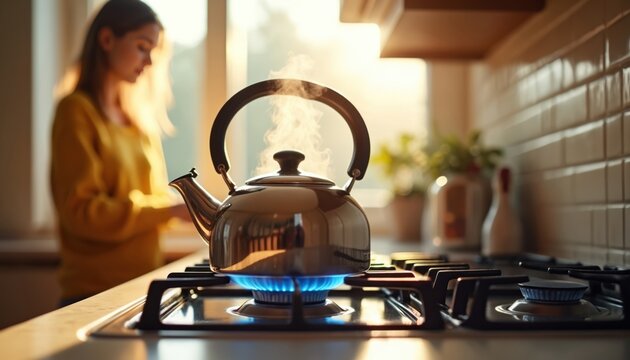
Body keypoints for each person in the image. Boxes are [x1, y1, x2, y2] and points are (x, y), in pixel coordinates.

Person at [50, 0, 191, 307]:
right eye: (142, 46)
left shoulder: (139, 122)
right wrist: (169, 211)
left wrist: (177, 210)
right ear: (107, 40)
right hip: (92, 296)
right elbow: (82, 214)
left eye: (153, 50)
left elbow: (149, 204)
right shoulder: (76, 112)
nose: (149, 61)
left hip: (143, 289)